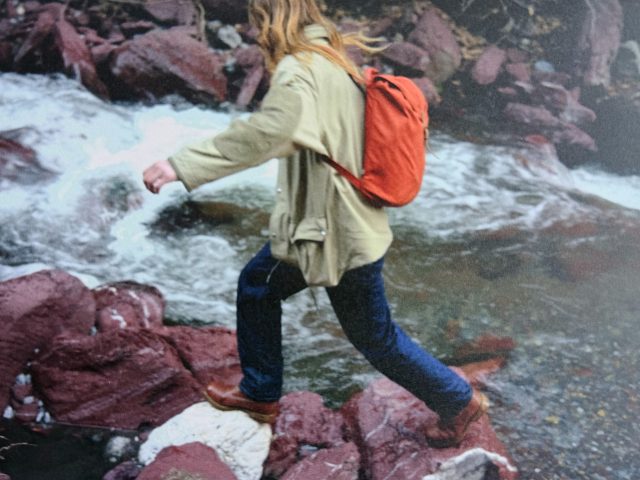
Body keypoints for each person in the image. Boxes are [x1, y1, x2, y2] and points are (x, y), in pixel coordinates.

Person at [143, 0, 487, 447]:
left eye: (257, 21)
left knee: (288, 299)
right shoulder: (334, 61)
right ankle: (262, 391)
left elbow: (271, 132)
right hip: (350, 224)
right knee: (288, 298)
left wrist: (181, 165)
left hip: (329, 231)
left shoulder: (299, 69)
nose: (254, 31)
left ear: (270, 20)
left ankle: (454, 400)